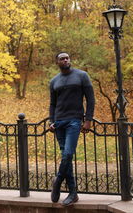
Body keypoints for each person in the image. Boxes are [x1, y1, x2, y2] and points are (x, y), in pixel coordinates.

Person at [49, 52, 95, 206]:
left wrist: (88, 120)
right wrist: (51, 122)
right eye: (62, 58)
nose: (65, 59)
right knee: (65, 157)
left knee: (68, 154)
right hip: (59, 123)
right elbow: (52, 104)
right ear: (57, 62)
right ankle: (73, 193)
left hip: (74, 121)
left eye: (67, 57)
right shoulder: (54, 81)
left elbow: (90, 99)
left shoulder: (82, 76)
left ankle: (58, 180)